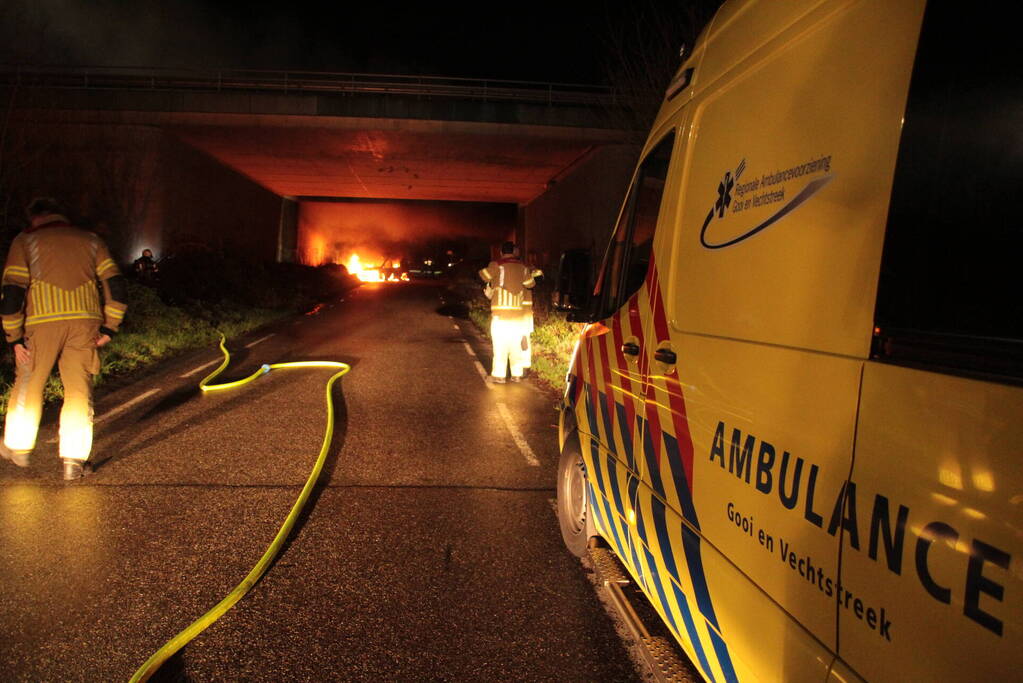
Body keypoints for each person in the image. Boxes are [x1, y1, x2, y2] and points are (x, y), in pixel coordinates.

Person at [0, 198, 128, 480]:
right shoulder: (91, 240)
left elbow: (12, 290)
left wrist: (14, 337)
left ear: (34, 217)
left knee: (30, 381)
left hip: (41, 323)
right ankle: (74, 460)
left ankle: (18, 445)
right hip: (84, 324)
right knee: (79, 390)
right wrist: (110, 327)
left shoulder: (26, 241)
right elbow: (115, 283)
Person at [478, 241, 542, 383]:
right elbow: (531, 284)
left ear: (501, 252)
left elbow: (484, 276)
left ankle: (499, 376)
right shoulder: (523, 267)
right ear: (513, 252)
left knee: (500, 347)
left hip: (500, 316)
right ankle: (517, 374)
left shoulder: (497, 265)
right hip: (518, 316)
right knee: (515, 347)